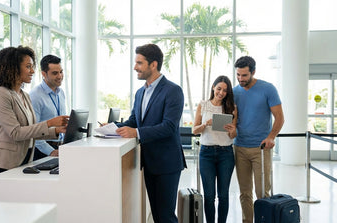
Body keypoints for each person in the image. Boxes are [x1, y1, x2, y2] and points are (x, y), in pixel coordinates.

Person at [116, 43, 186, 223]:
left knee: (166, 216)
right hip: (149, 163)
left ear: (153, 65)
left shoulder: (173, 91)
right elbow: (134, 121)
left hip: (167, 163)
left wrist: (137, 132)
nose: (135, 67)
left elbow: (169, 126)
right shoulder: (140, 92)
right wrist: (113, 126)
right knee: (156, 214)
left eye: (139, 63)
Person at [0, 46, 69, 180]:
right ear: (13, 68)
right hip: (1, 165)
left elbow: (32, 131)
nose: (33, 71)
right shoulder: (1, 94)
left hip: (23, 161)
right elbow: (16, 133)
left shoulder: (24, 95)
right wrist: (50, 123)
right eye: (28, 66)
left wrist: (56, 130)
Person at [233, 56, 284, 223]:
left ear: (253, 72)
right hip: (239, 148)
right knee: (245, 192)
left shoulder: (268, 89)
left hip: (261, 149)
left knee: (262, 192)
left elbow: (279, 118)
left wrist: (271, 137)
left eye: (244, 75)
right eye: (238, 75)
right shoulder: (234, 92)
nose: (241, 79)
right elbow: (229, 118)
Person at [192, 75, 237, 223]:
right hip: (206, 154)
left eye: (225, 90)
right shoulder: (203, 105)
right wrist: (206, 124)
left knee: (223, 195)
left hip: (226, 154)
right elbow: (194, 130)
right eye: (219, 88)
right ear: (213, 87)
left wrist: (232, 129)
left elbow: (233, 135)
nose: (221, 92)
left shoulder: (232, 108)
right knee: (209, 195)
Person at [29, 54, 66, 160]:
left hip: (59, 146)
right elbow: (33, 130)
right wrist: (50, 151)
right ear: (44, 74)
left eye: (61, 72)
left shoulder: (61, 93)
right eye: (55, 73)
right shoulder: (35, 96)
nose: (60, 76)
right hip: (42, 151)